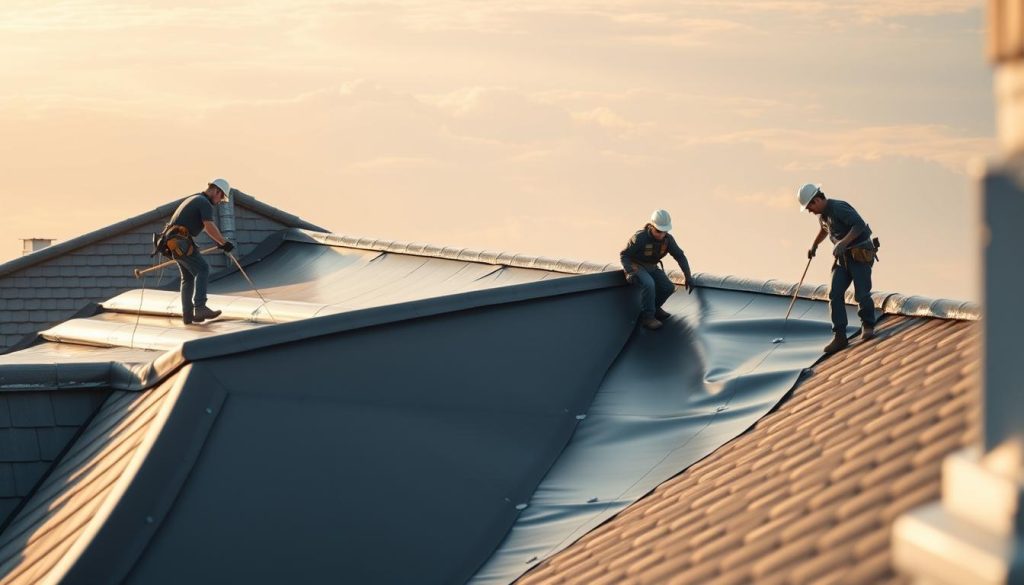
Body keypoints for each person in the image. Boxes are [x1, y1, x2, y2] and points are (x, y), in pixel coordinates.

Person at [797, 183, 877, 353]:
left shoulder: (839, 207)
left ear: (817, 199)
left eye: (810, 206)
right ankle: (840, 336)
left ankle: (868, 325)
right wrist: (814, 245)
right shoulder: (823, 216)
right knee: (835, 293)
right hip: (843, 259)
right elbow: (824, 230)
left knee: (862, 293)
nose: (810, 210)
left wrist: (844, 242)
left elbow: (859, 225)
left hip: (859, 255)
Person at [165, 178, 236, 325]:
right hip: (180, 241)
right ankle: (200, 307)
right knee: (203, 269)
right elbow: (209, 226)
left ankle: (188, 315)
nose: (220, 201)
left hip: (173, 243)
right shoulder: (204, 203)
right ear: (217, 191)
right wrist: (224, 242)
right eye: (221, 197)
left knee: (188, 278)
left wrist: (220, 242)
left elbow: (204, 227)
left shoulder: (195, 199)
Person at [620, 209, 694, 330]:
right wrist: (629, 271)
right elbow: (624, 255)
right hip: (636, 266)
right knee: (649, 284)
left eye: (664, 232)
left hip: (652, 266)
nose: (661, 234)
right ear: (652, 226)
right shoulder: (640, 238)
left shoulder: (668, 240)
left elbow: (680, 256)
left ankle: (655, 307)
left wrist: (688, 276)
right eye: (658, 231)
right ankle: (648, 317)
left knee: (668, 287)